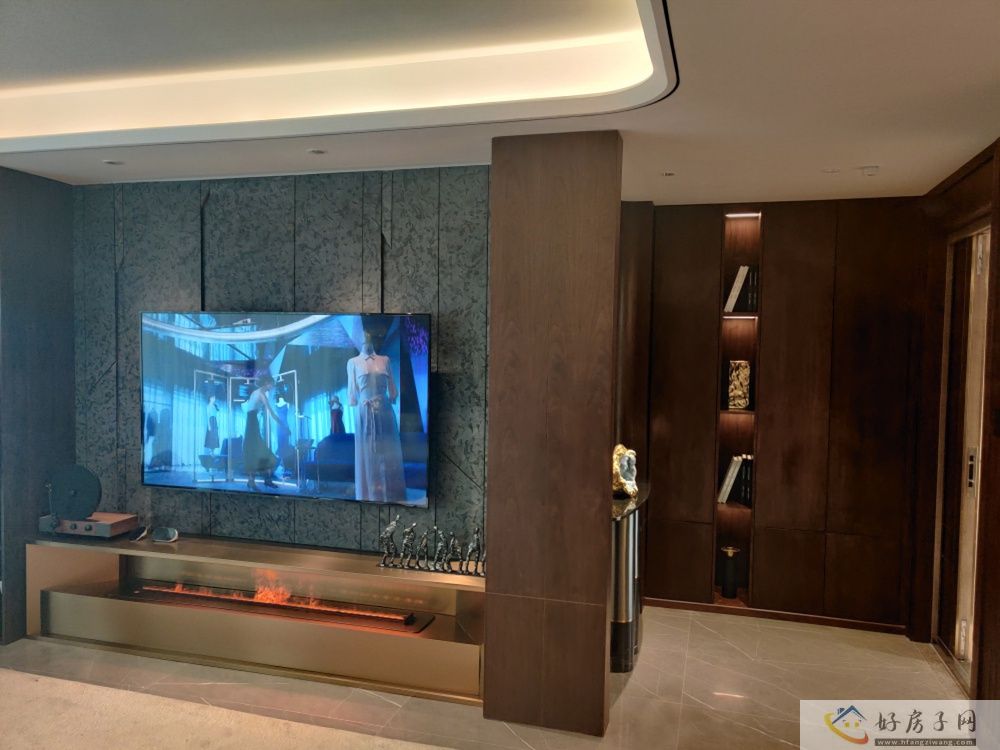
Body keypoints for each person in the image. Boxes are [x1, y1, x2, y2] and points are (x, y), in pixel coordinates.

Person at [347, 332, 406, 502]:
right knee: (368, 452)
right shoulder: (353, 362)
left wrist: (392, 395)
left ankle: (392, 493)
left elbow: (392, 388)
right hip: (365, 411)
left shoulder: (385, 360)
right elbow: (352, 395)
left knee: (388, 450)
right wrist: (355, 400)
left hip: (385, 410)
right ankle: (369, 494)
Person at [242, 374, 279, 491]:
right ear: (267, 383)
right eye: (271, 385)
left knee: (254, 451)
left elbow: (252, 408)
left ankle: (255, 480)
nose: (272, 387)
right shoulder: (261, 394)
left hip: (251, 422)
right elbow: (271, 412)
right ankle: (261, 480)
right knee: (258, 451)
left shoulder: (256, 393)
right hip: (252, 423)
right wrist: (282, 425)